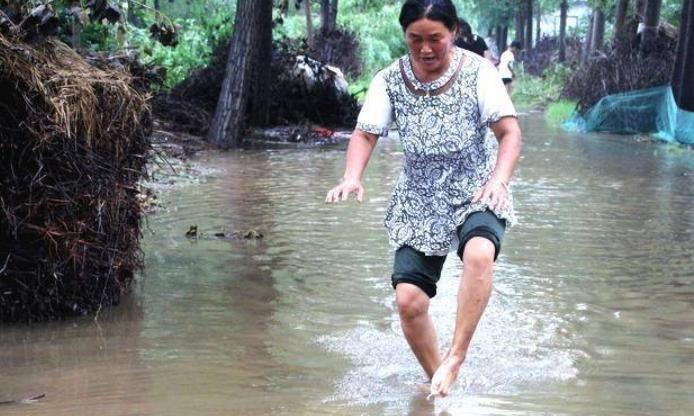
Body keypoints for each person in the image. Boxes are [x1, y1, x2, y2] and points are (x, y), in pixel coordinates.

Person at [325, 0, 521, 398]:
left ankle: (457, 356)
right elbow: (366, 133)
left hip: (477, 185)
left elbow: (509, 133)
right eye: (416, 39)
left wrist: (499, 181)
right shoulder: (389, 79)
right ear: (405, 36)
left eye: (436, 39)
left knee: (480, 254)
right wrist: (352, 176)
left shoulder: (479, 73)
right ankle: (440, 386)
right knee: (409, 302)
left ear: (454, 33)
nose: (426, 49)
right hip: (420, 194)